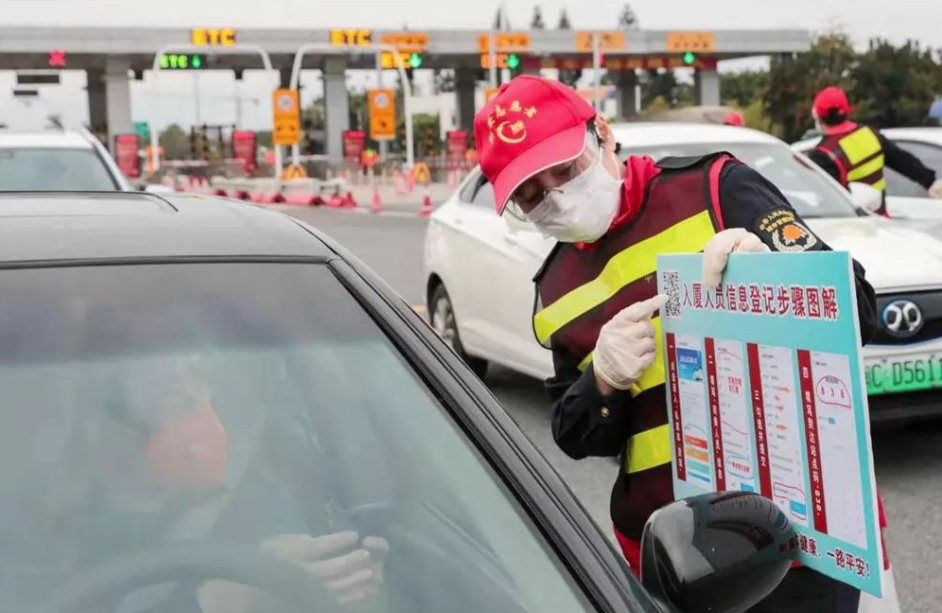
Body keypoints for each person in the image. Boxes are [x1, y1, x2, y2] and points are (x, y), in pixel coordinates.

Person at [472, 75, 877, 612]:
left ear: (603, 134)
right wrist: (604, 382)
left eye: (565, 172)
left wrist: (779, 274)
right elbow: (574, 433)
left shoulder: (713, 189)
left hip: (787, 544)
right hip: (667, 556)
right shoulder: (554, 288)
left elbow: (860, 311)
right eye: (531, 195)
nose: (557, 199)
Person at [807, 86, 942, 214]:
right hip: (880, 222)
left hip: (847, 228)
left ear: (817, 116)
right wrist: (930, 182)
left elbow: (830, 200)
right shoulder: (869, 134)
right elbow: (903, 161)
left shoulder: (822, 154)